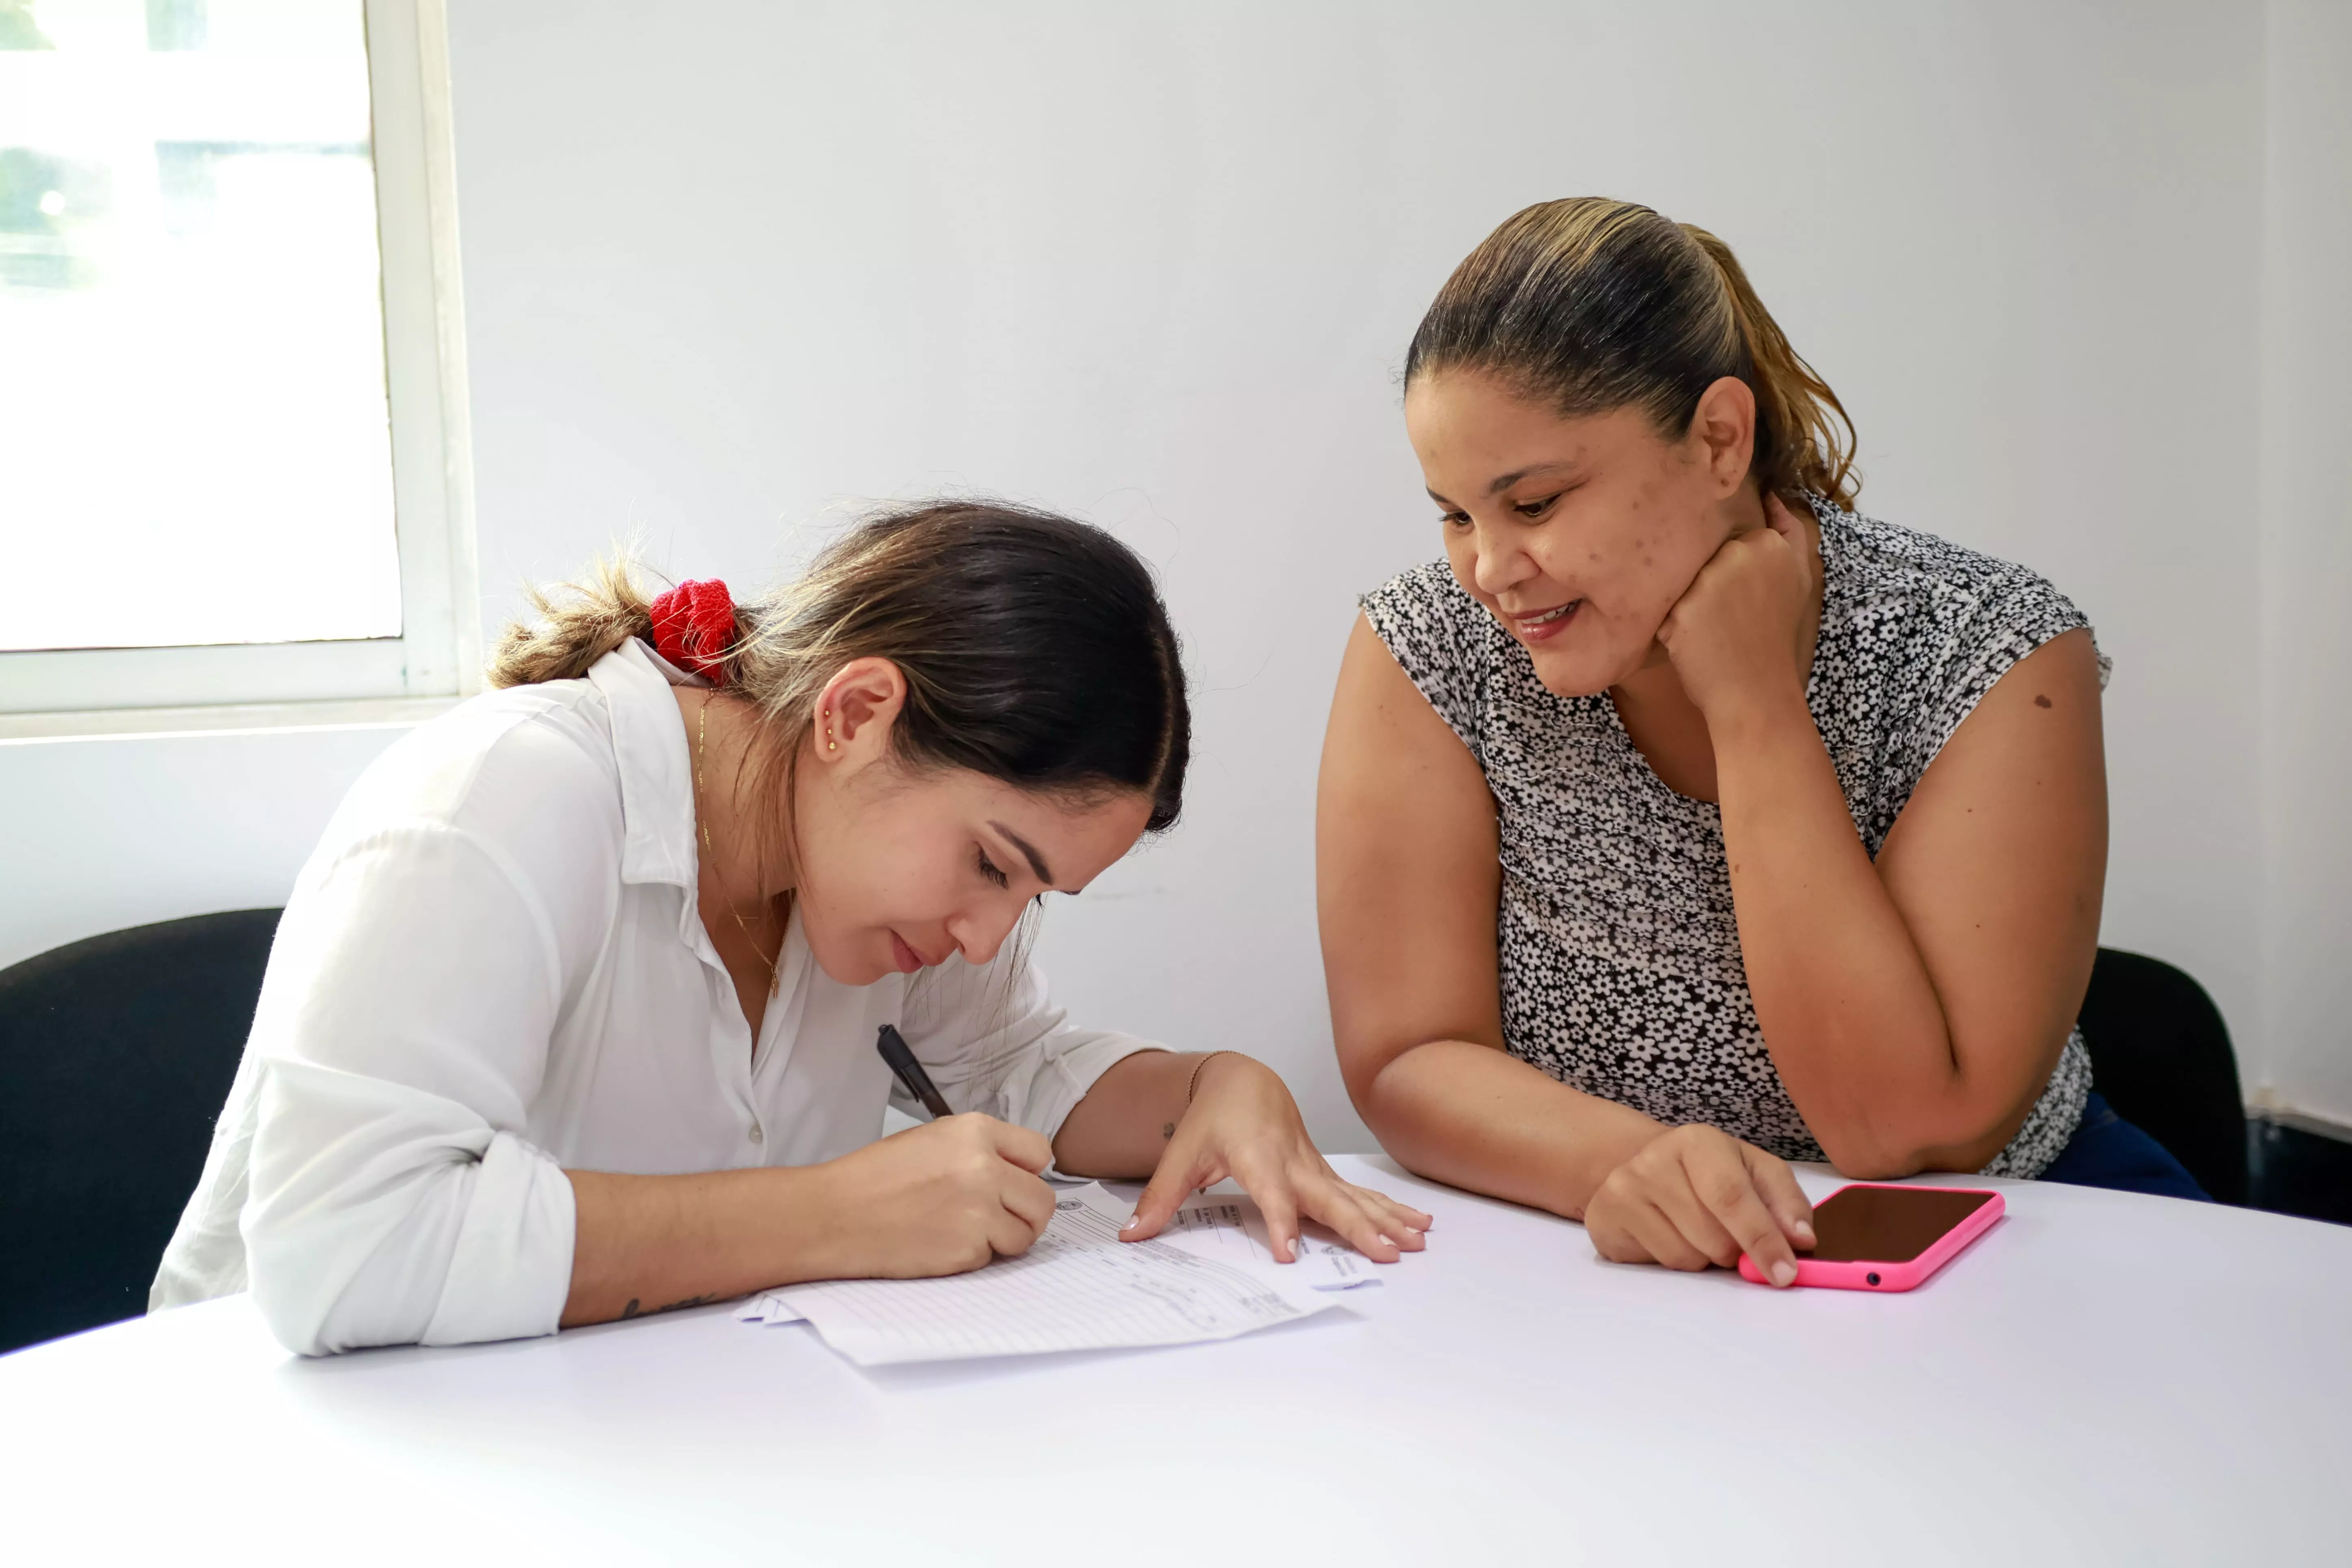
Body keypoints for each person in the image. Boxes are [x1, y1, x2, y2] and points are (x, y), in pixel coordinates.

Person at [156, 500, 1429, 1355]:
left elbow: (1012, 1063)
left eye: (1030, 897)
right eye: (991, 864)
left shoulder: (858, 889)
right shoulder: (503, 800)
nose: (988, 935)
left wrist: (1215, 1088)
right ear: (855, 712)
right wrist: (833, 1214)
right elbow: (344, 1246)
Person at [1317, 198, 2205, 1292]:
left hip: (2003, 1234)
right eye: (1454, 515)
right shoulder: (1427, 645)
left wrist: (1752, 704)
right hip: (1617, 1249)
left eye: (1535, 502)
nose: (1489, 569)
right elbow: (1405, 1055)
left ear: (1718, 440)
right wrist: (1637, 1168)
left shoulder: (1992, 644)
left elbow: (1905, 1131)